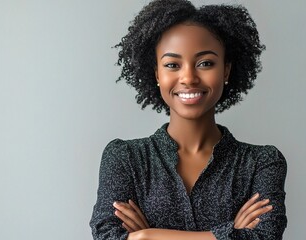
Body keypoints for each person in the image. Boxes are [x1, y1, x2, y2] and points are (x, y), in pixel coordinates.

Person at [89, 0, 287, 239]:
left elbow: (266, 236)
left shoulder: (262, 162)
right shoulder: (124, 158)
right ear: (157, 74)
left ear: (225, 70)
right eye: (172, 64)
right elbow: (106, 236)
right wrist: (229, 234)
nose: (189, 78)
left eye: (205, 63)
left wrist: (146, 236)